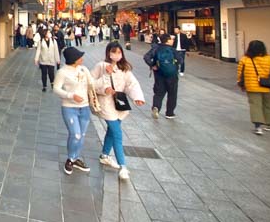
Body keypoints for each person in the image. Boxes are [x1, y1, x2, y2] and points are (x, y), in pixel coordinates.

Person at [91, 42, 146, 180]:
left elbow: (131, 84)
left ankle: (104, 155)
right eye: (114, 52)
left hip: (119, 103)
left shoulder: (124, 68)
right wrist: (104, 89)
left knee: (112, 131)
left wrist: (137, 97)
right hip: (106, 104)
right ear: (108, 53)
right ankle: (123, 166)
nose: (116, 55)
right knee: (117, 133)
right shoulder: (101, 66)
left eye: (119, 52)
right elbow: (91, 83)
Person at [53, 47, 93, 175]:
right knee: (75, 134)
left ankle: (75, 158)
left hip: (85, 107)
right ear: (73, 59)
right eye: (79, 57)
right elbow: (56, 89)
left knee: (82, 135)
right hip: (69, 107)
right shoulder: (62, 72)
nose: (82, 58)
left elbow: (92, 83)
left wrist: (107, 77)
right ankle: (70, 159)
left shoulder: (84, 69)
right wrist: (70, 95)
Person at [237, 40, 270, 135]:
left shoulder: (244, 59)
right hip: (269, 86)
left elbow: (241, 74)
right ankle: (269, 125)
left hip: (252, 87)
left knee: (255, 106)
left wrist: (241, 85)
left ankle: (258, 127)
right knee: (269, 106)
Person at [144, 33, 180, 119]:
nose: (172, 40)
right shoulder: (173, 50)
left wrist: (152, 65)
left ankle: (156, 107)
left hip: (159, 74)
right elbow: (180, 60)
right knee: (172, 94)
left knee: (159, 93)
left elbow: (146, 57)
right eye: (171, 39)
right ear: (167, 40)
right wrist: (174, 66)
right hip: (172, 75)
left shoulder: (156, 48)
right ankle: (169, 113)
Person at [35, 27, 61, 92]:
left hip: (51, 60)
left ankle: (52, 83)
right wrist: (36, 59)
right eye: (48, 32)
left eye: (50, 32)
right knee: (44, 74)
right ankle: (44, 86)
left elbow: (56, 50)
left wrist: (57, 59)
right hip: (43, 60)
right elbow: (38, 50)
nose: (50, 34)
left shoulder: (53, 40)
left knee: (51, 73)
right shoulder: (41, 41)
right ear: (45, 34)